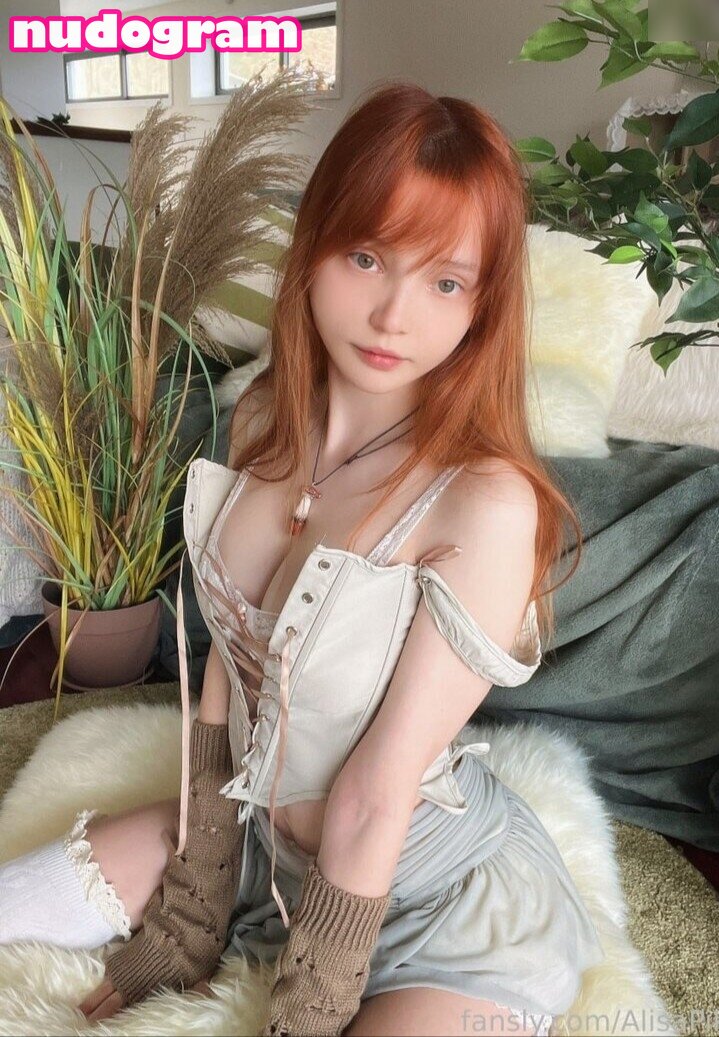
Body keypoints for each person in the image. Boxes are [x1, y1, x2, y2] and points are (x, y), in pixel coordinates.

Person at [0, 79, 604, 1036]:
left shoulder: (484, 503)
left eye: (445, 282)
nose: (394, 314)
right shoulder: (262, 418)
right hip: (251, 844)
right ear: (315, 246)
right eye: (368, 257)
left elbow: (375, 790)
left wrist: (310, 1009)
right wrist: (192, 908)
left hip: (430, 895)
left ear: (482, 305)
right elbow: (222, 683)